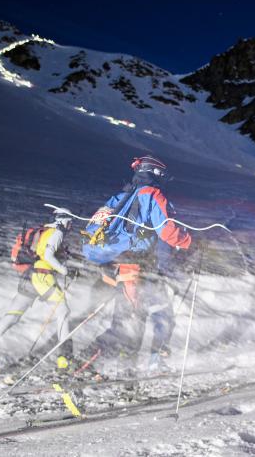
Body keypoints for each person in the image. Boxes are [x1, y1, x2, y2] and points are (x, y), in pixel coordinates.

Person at [81, 155, 192, 374]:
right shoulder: (153, 194)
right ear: (157, 173)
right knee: (155, 316)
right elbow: (168, 232)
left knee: (128, 317)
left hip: (117, 266)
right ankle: (88, 362)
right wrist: (189, 242)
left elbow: (95, 225)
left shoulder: (120, 196)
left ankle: (121, 362)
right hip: (139, 268)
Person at [0, 211, 74, 374]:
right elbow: (48, 256)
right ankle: (65, 359)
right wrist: (65, 270)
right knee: (63, 311)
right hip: (43, 278)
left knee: (12, 316)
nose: (71, 226)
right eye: (70, 222)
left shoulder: (43, 230)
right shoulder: (57, 232)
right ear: (65, 221)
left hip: (29, 276)